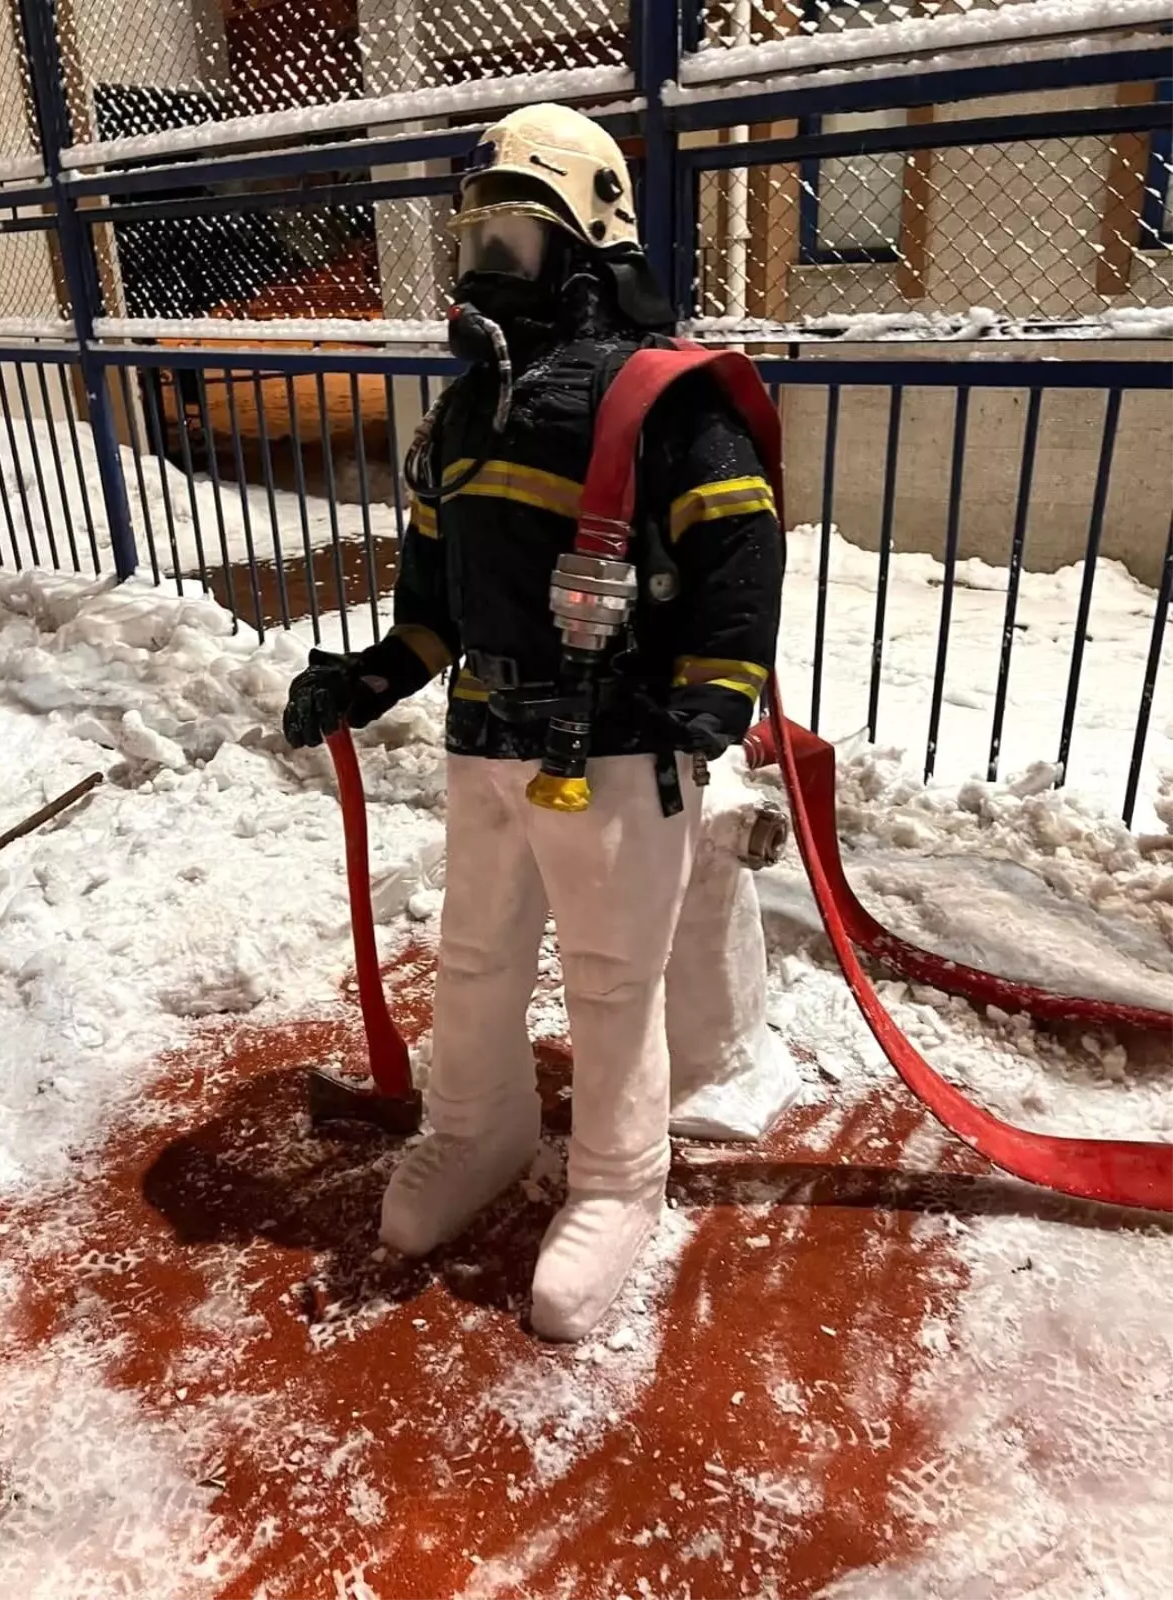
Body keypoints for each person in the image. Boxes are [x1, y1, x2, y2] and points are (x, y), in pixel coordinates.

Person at [283, 102, 796, 1341]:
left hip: (618, 748)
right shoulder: (464, 416)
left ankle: (617, 1180)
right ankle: (477, 1127)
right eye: (475, 240)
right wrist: (370, 677)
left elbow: (740, 552)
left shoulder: (668, 400)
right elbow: (435, 607)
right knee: (474, 958)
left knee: (614, 983)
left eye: (512, 239)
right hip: (487, 743)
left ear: (589, 243)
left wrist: (714, 694)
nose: (484, 267)